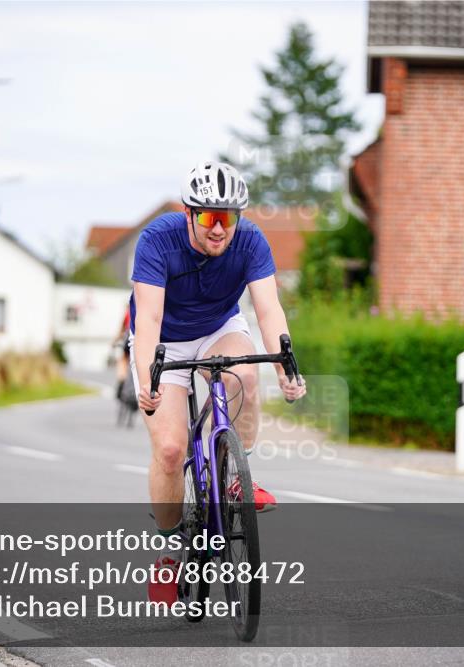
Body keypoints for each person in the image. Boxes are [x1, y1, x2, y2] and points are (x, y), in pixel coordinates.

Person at [128, 161, 306, 603]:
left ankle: (232, 474)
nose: (219, 229)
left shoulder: (250, 241)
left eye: (228, 218)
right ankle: (170, 550)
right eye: (208, 217)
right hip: (164, 338)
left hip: (216, 328)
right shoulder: (157, 240)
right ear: (189, 213)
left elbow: (268, 310)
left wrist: (286, 367)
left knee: (244, 372)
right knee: (170, 450)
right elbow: (147, 317)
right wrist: (146, 375)